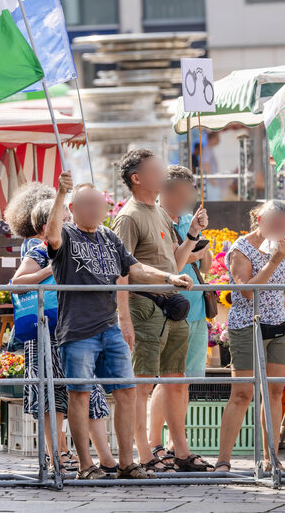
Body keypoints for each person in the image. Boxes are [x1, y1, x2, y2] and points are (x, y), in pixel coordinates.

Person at [45, 172, 194, 480]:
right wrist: (60, 195)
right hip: (77, 329)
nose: (95, 210)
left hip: (109, 326)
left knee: (126, 391)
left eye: (99, 204)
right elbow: (52, 235)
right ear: (72, 208)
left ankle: (127, 462)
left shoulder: (109, 236)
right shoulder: (68, 234)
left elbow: (135, 268)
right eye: (86, 204)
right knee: (79, 394)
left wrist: (169, 278)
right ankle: (87, 466)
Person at [112, 149, 212, 473]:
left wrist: (193, 233)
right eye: (156, 170)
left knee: (174, 379)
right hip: (145, 306)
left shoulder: (158, 213)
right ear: (137, 178)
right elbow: (123, 270)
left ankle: (180, 450)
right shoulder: (128, 217)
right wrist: (124, 316)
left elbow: (176, 261)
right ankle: (144, 452)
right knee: (142, 384)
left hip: (172, 305)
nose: (162, 175)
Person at [7, 187, 116, 475]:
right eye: (64, 219)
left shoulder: (79, 244)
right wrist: (52, 268)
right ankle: (58, 456)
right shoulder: (39, 248)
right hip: (48, 331)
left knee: (89, 392)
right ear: (47, 226)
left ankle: (104, 458)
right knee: (52, 395)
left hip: (76, 328)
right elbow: (18, 283)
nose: (70, 223)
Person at [214, 200, 285, 473]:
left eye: (284, 226)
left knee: (274, 391)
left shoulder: (277, 247)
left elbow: (278, 290)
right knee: (243, 393)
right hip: (248, 325)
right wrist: (274, 261)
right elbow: (247, 292)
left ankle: (272, 457)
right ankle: (224, 460)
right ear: (259, 219)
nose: (280, 230)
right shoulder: (241, 249)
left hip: (278, 325)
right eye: (275, 224)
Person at [151, 165, 212, 465]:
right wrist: (193, 248)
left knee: (184, 381)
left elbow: (207, 263)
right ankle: (154, 443)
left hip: (197, 307)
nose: (189, 197)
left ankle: (177, 442)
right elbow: (172, 265)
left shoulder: (188, 219)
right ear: (168, 191)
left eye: (192, 192)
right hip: (171, 307)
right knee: (168, 379)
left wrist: (200, 239)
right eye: (185, 192)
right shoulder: (156, 218)